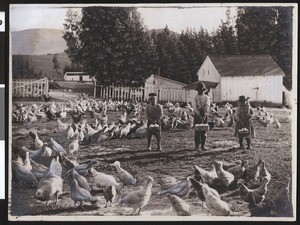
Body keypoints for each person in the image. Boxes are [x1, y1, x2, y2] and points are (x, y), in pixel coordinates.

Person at [191, 82, 210, 151]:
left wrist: (204, 114)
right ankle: (196, 145)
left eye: (201, 90)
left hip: (204, 114)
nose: (200, 91)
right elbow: (194, 107)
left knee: (204, 130)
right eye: (199, 90)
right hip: (197, 114)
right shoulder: (195, 98)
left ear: (203, 90)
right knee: (197, 130)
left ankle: (203, 145)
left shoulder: (206, 97)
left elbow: (207, 105)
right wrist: (198, 115)